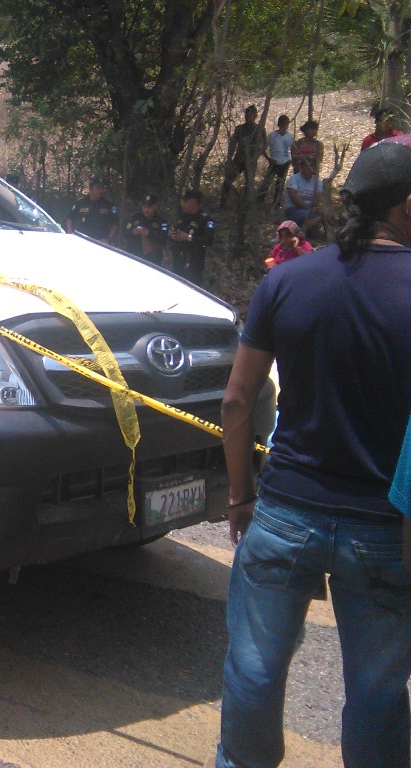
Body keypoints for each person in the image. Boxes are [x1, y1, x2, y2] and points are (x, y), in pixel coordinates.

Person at [213, 136, 411, 768]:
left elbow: (237, 401)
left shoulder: (287, 280)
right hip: (385, 530)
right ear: (407, 206)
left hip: (284, 513)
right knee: (377, 694)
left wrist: (241, 495)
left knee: (253, 671)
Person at [219, 105, 266, 206]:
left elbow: (264, 145)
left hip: (252, 160)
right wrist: (229, 158)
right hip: (239, 159)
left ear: (255, 116)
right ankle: (223, 203)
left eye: (250, 115)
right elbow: (233, 144)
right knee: (228, 180)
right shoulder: (240, 128)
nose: (247, 117)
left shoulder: (260, 129)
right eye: (246, 114)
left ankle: (246, 206)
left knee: (249, 184)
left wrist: (256, 157)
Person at [168, 189, 215, 286]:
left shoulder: (205, 220)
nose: (183, 204)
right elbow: (174, 233)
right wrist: (173, 235)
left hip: (194, 263)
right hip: (178, 260)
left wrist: (188, 237)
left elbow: (209, 240)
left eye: (186, 201)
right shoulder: (183, 217)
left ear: (195, 203)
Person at [65, 176, 118, 244]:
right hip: (82, 241)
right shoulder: (81, 203)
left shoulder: (107, 205)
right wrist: (70, 233)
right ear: (90, 188)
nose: (101, 190)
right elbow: (69, 218)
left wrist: (108, 239)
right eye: (98, 188)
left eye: (102, 188)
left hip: (101, 242)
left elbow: (115, 223)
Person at [122, 193, 168, 264]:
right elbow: (125, 232)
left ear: (155, 206)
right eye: (144, 207)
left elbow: (163, 240)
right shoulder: (135, 218)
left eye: (149, 207)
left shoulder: (161, 222)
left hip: (153, 259)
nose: (146, 210)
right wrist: (133, 232)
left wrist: (148, 234)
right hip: (134, 255)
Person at [258, 114, 293, 206]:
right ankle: (260, 201)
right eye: (282, 124)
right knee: (267, 182)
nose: (284, 126)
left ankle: (276, 203)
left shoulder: (289, 136)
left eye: (286, 124)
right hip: (274, 162)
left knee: (280, 184)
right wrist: (269, 159)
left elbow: (292, 149)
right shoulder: (272, 135)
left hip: (285, 163)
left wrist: (290, 161)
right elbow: (263, 148)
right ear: (278, 124)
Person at [284, 159, 323, 232]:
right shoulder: (294, 178)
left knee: (324, 213)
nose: (309, 168)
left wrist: (318, 207)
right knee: (316, 216)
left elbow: (318, 198)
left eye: (311, 165)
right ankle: (301, 231)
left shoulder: (317, 180)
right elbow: (295, 199)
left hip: (310, 209)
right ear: (301, 167)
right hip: (294, 208)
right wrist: (309, 208)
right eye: (306, 166)